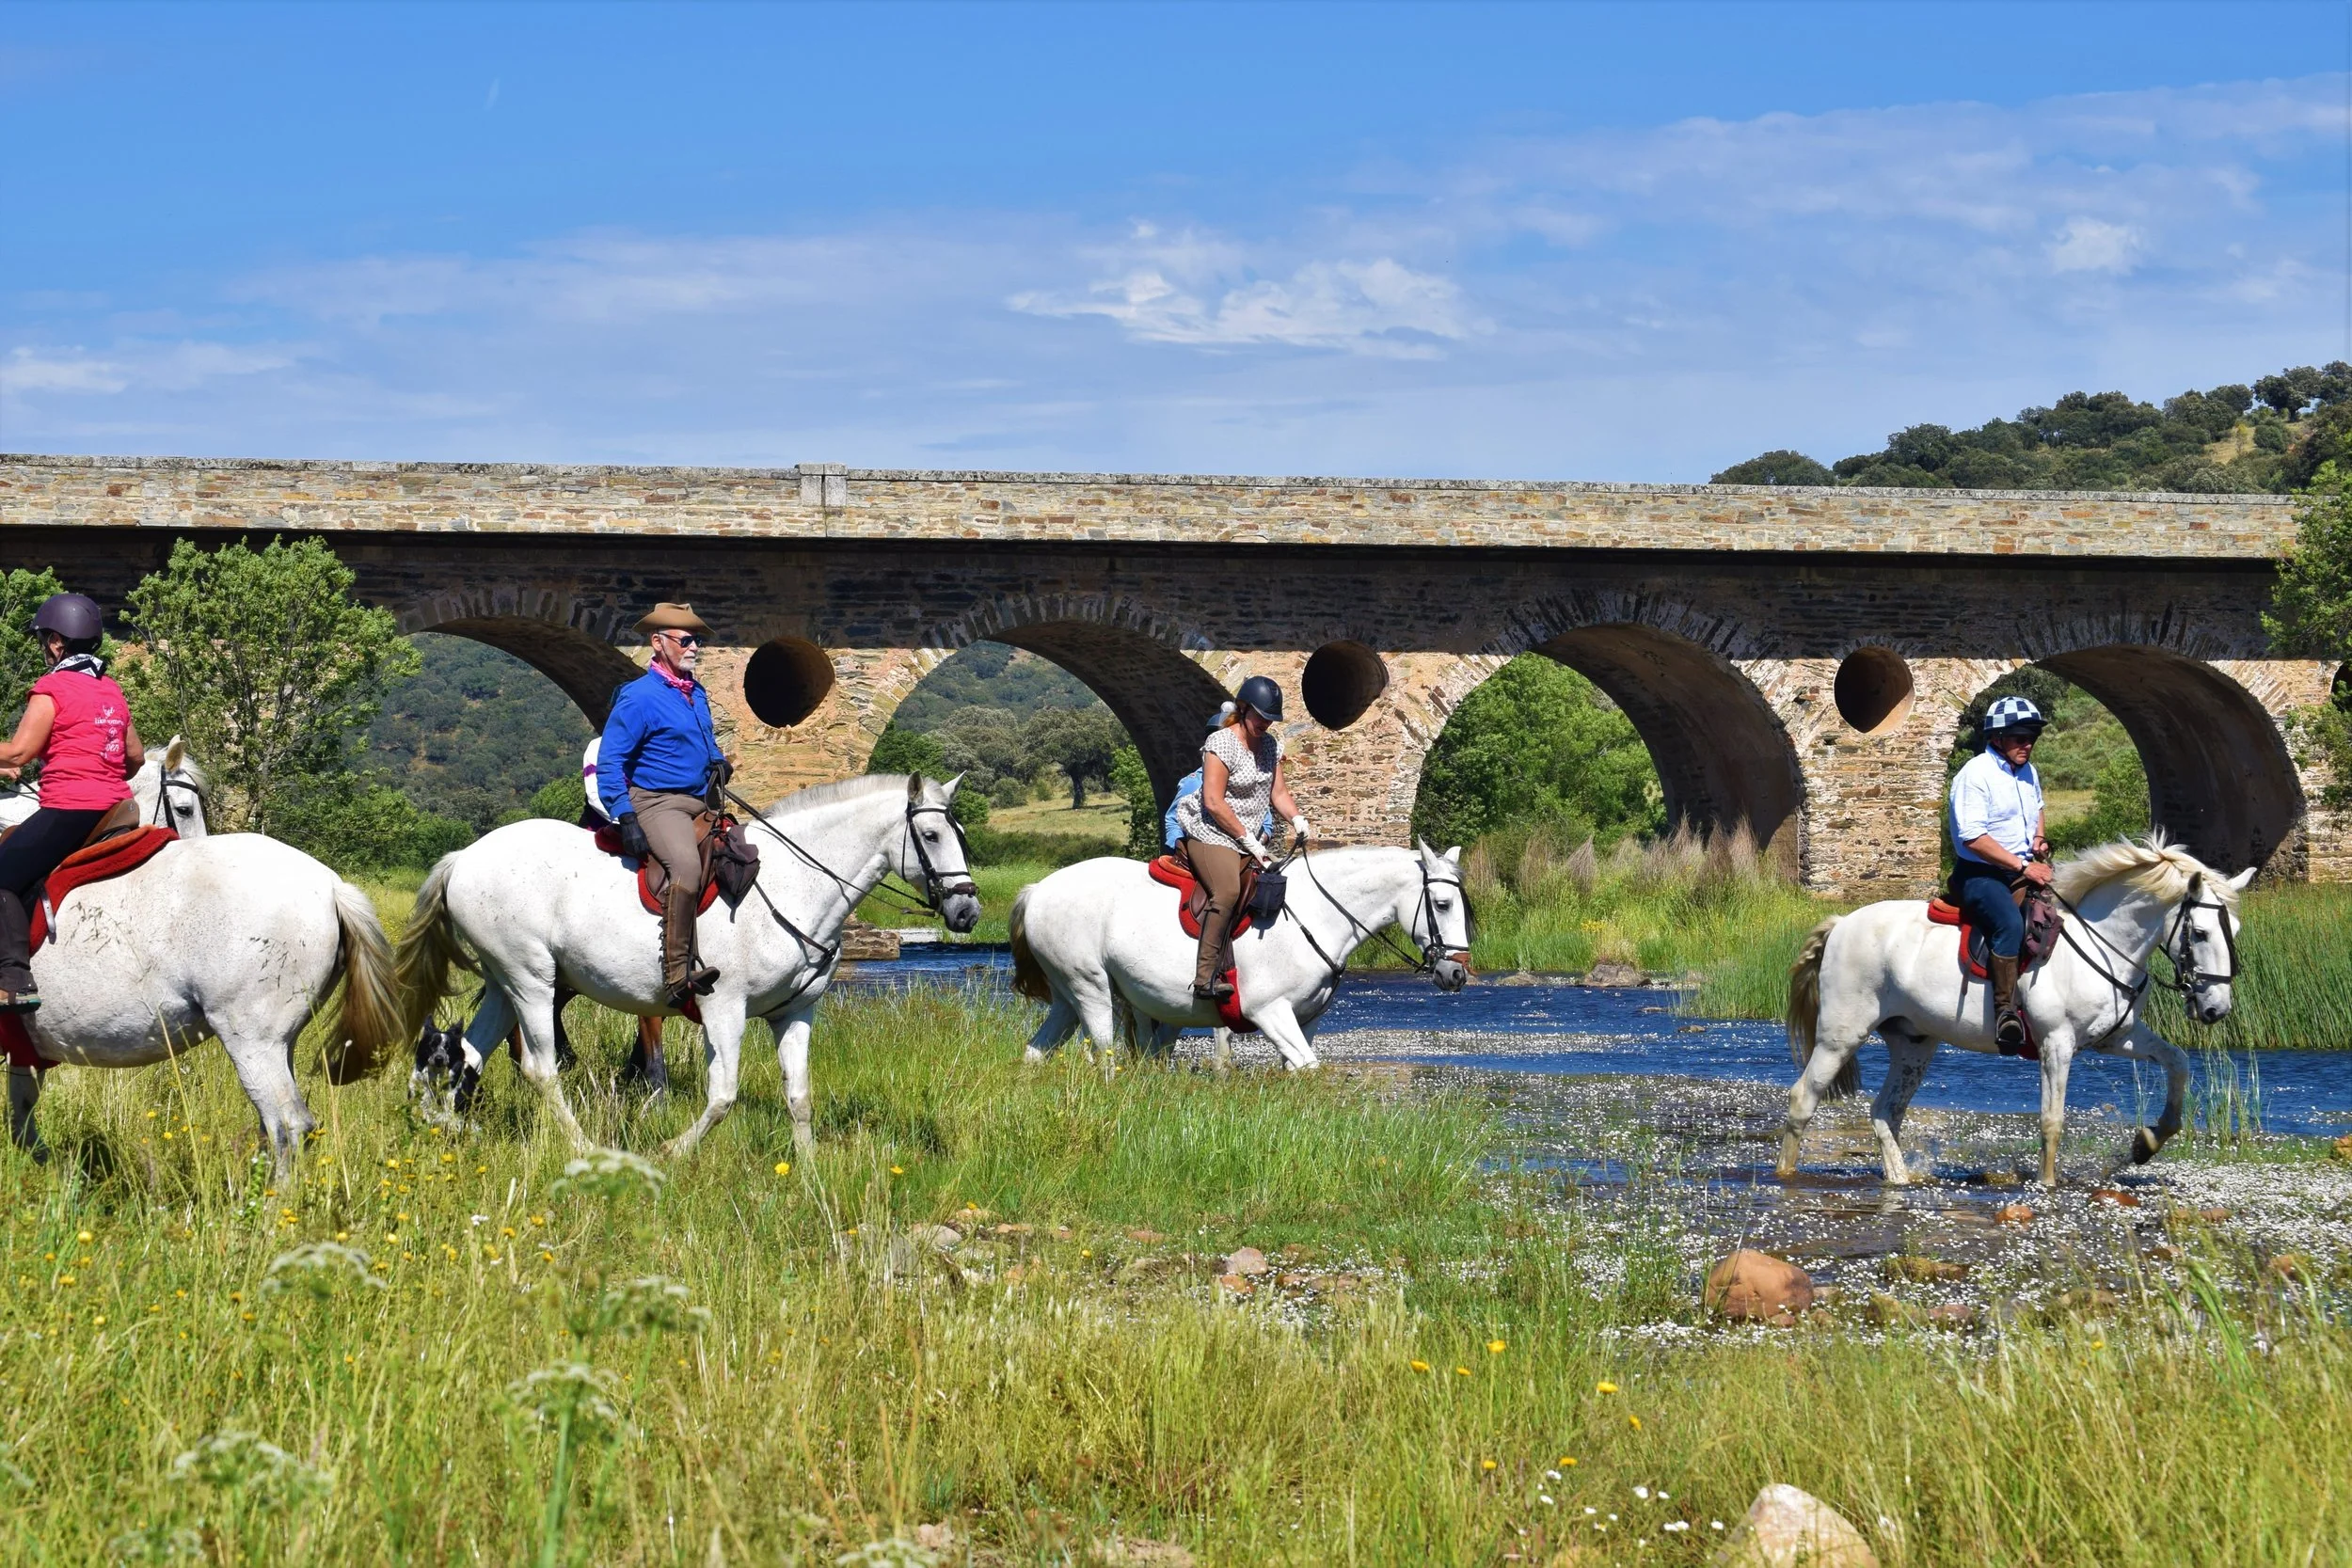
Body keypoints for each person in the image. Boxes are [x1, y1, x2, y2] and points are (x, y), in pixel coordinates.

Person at [0, 594, 145, 1013]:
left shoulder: (52, 688)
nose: (44, 647)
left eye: (44, 640)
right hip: (116, 809)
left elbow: (18, 752)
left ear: (57, 642)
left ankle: (13, 980)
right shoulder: (110, 689)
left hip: (69, 809)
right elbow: (134, 758)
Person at [598, 603, 729, 1006]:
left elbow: (705, 742)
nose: (694, 647)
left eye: (697, 640)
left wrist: (718, 761)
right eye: (686, 640)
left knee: (739, 852)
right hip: (657, 802)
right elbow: (610, 761)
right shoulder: (638, 697)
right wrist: (625, 814)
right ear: (658, 643)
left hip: (700, 799)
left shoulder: (696, 692)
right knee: (686, 866)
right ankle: (676, 976)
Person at [1170, 675, 1310, 1003]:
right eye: (1260, 716)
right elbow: (1213, 802)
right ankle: (1205, 976)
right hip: (1211, 833)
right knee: (1228, 891)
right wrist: (1248, 840)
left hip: (1251, 839)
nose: (1265, 724)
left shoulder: (1271, 746)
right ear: (1244, 709)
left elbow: (1278, 793)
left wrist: (1297, 818)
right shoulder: (1221, 743)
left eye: (1270, 719)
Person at [1948, 693, 2050, 1055]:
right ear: (1997, 738)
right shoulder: (1975, 774)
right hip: (1980, 874)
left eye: (2032, 738)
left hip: (2021, 870)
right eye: (2020, 738)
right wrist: (2023, 866)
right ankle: (2006, 1013)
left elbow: (2038, 808)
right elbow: (1973, 838)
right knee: (2009, 924)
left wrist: (2038, 839)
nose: (2027, 744)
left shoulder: (2028, 771)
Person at [1162, 704, 1275, 851]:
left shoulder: (1254, 781)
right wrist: (1179, 845)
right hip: (1211, 846)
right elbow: (1173, 820)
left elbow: (1266, 821)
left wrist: (1260, 840)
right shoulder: (1193, 783)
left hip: (1251, 850)